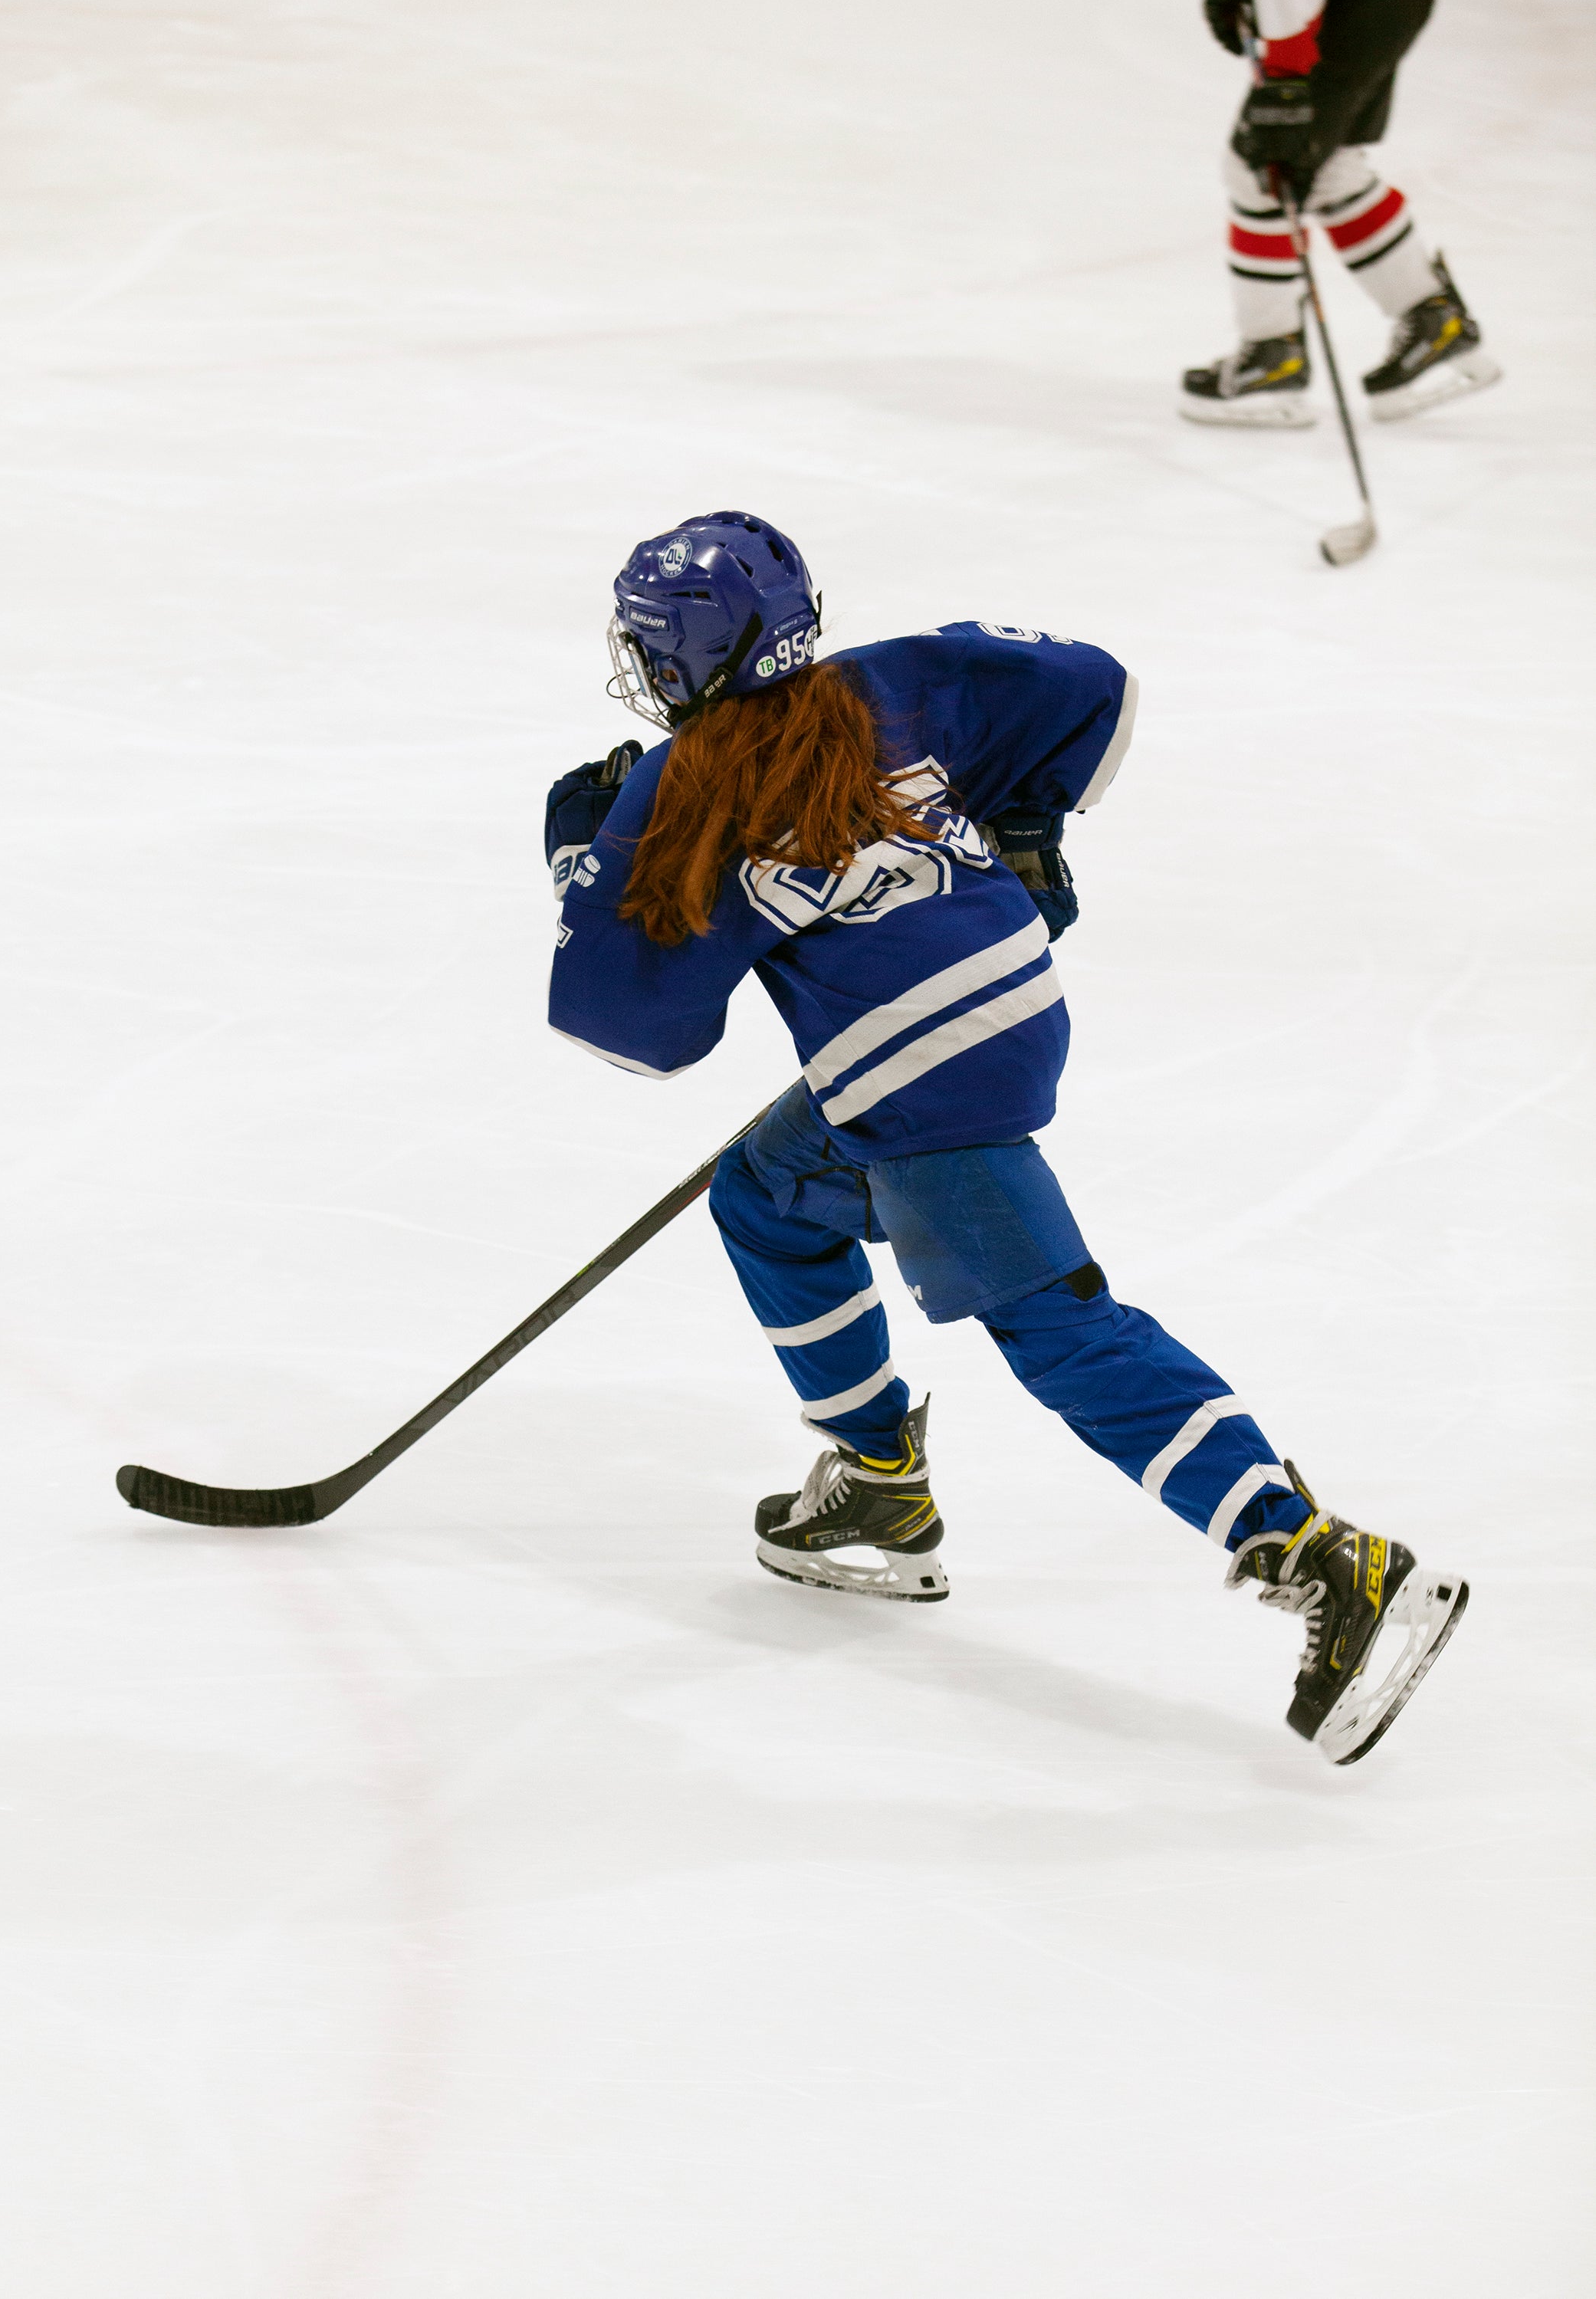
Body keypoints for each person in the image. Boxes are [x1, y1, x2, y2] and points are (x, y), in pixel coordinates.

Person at [544, 511, 1467, 1763]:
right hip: (1013, 1005)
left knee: (1062, 1328)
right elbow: (1092, 689)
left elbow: (629, 1033)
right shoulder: (888, 681)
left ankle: (1322, 1560)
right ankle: (878, 1482)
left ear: (682, 659)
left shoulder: (683, 790)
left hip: (925, 1084)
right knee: (766, 1195)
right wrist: (1025, 822)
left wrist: (584, 859)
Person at [1181, 0, 1499, 426]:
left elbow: (1291, 1)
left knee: (1261, 173)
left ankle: (1272, 357)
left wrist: (1286, 93)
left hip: (1361, 6)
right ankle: (1434, 322)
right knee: (1330, 169)